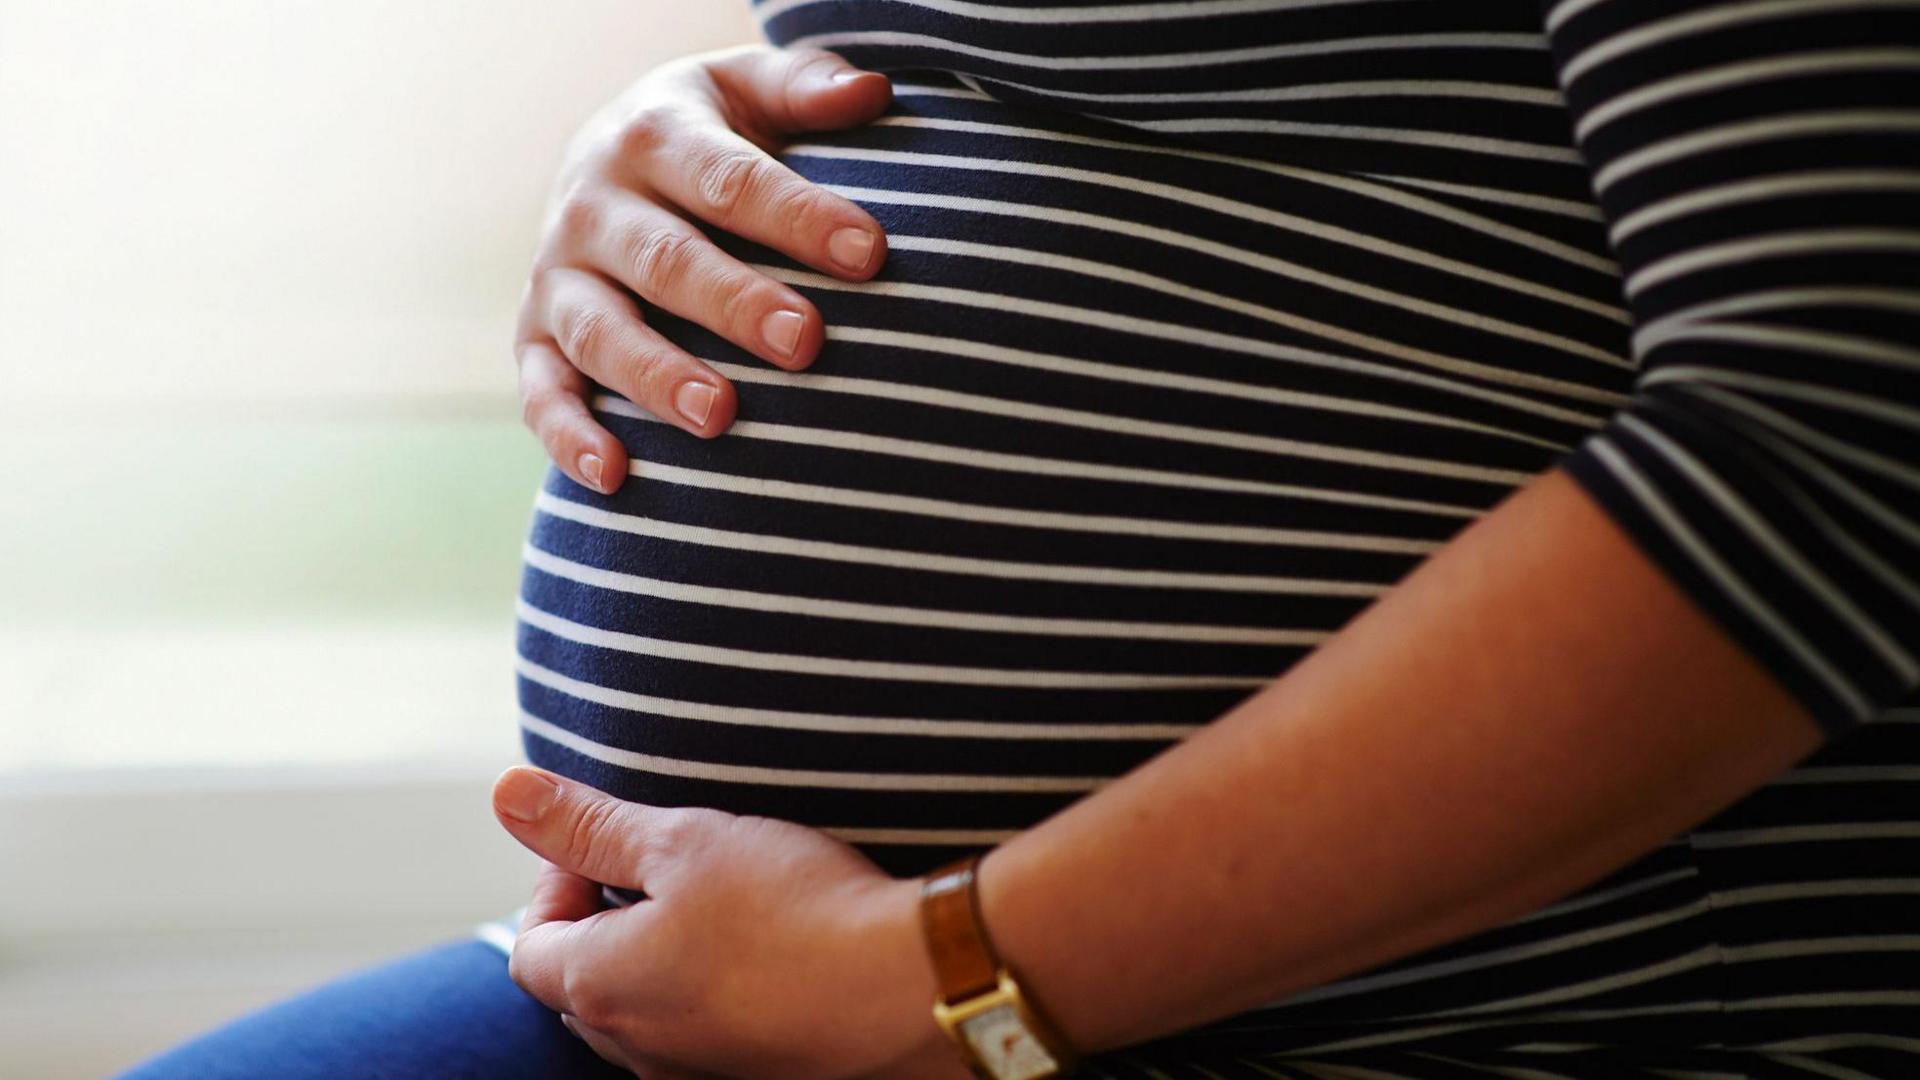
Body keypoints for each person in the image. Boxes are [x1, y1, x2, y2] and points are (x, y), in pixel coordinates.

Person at [125, 1, 1920, 1077]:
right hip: (798, 1008)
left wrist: (959, 984)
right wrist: (688, 136)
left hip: (1488, 1026)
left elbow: (1838, 431)